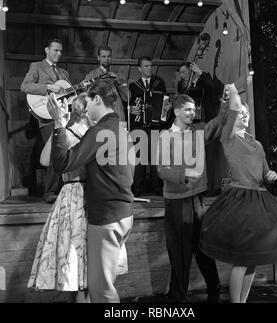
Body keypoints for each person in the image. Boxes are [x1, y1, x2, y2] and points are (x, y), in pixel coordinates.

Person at [46, 80, 134, 303]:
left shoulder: (100, 131)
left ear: (97, 99)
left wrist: (59, 125)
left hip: (106, 218)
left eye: (88, 103)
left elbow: (63, 163)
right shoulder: (122, 130)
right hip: (123, 213)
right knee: (104, 286)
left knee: (101, 293)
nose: (85, 110)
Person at [200, 84, 277, 303]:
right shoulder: (228, 138)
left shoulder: (256, 143)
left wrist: (271, 175)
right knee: (241, 260)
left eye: (247, 114)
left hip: (260, 201)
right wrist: (232, 92)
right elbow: (234, 109)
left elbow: (265, 172)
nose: (245, 116)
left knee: (253, 260)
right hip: (240, 201)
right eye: (242, 114)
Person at [156, 94, 228, 303]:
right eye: (187, 109)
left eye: (194, 109)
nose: (192, 113)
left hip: (197, 200)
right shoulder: (165, 136)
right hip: (176, 202)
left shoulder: (198, 132)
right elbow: (161, 169)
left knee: (204, 250)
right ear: (177, 111)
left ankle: (214, 293)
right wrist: (182, 176)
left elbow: (219, 122)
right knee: (180, 254)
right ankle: (177, 299)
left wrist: (224, 103)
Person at [28, 93, 90, 303]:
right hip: (83, 195)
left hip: (70, 195)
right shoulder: (89, 134)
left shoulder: (67, 133)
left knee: (73, 258)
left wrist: (59, 126)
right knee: (81, 258)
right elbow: (46, 161)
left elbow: (45, 160)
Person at [21, 38, 71, 203]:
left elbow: (69, 96)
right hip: (47, 116)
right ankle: (49, 191)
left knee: (64, 151)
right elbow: (25, 86)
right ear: (47, 50)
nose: (59, 53)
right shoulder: (37, 66)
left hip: (63, 117)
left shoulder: (64, 73)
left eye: (61, 51)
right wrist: (48, 87)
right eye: (56, 50)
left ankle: (63, 189)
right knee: (53, 152)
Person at [129, 56, 171, 196]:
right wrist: (131, 109)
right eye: (146, 66)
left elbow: (165, 101)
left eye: (150, 66)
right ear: (139, 68)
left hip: (155, 125)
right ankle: (138, 188)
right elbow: (128, 105)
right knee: (140, 158)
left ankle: (157, 187)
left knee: (155, 158)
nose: (149, 68)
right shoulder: (133, 86)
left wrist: (167, 107)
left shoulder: (159, 84)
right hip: (139, 125)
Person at [85, 45, 127, 127]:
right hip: (100, 117)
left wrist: (118, 82)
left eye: (109, 56)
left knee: (120, 139)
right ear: (98, 58)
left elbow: (127, 97)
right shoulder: (91, 75)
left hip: (118, 116)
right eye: (104, 56)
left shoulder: (120, 75)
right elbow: (87, 98)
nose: (107, 59)